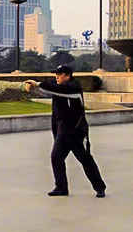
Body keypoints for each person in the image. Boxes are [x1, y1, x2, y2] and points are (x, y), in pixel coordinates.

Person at [24, 65, 107, 198]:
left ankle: (100, 187)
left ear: (67, 75)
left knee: (85, 159)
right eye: (56, 74)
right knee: (56, 157)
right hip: (63, 130)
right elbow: (49, 92)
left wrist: (38, 83)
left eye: (59, 74)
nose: (57, 76)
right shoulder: (59, 89)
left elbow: (58, 90)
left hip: (76, 131)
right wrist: (32, 87)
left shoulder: (73, 88)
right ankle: (61, 187)